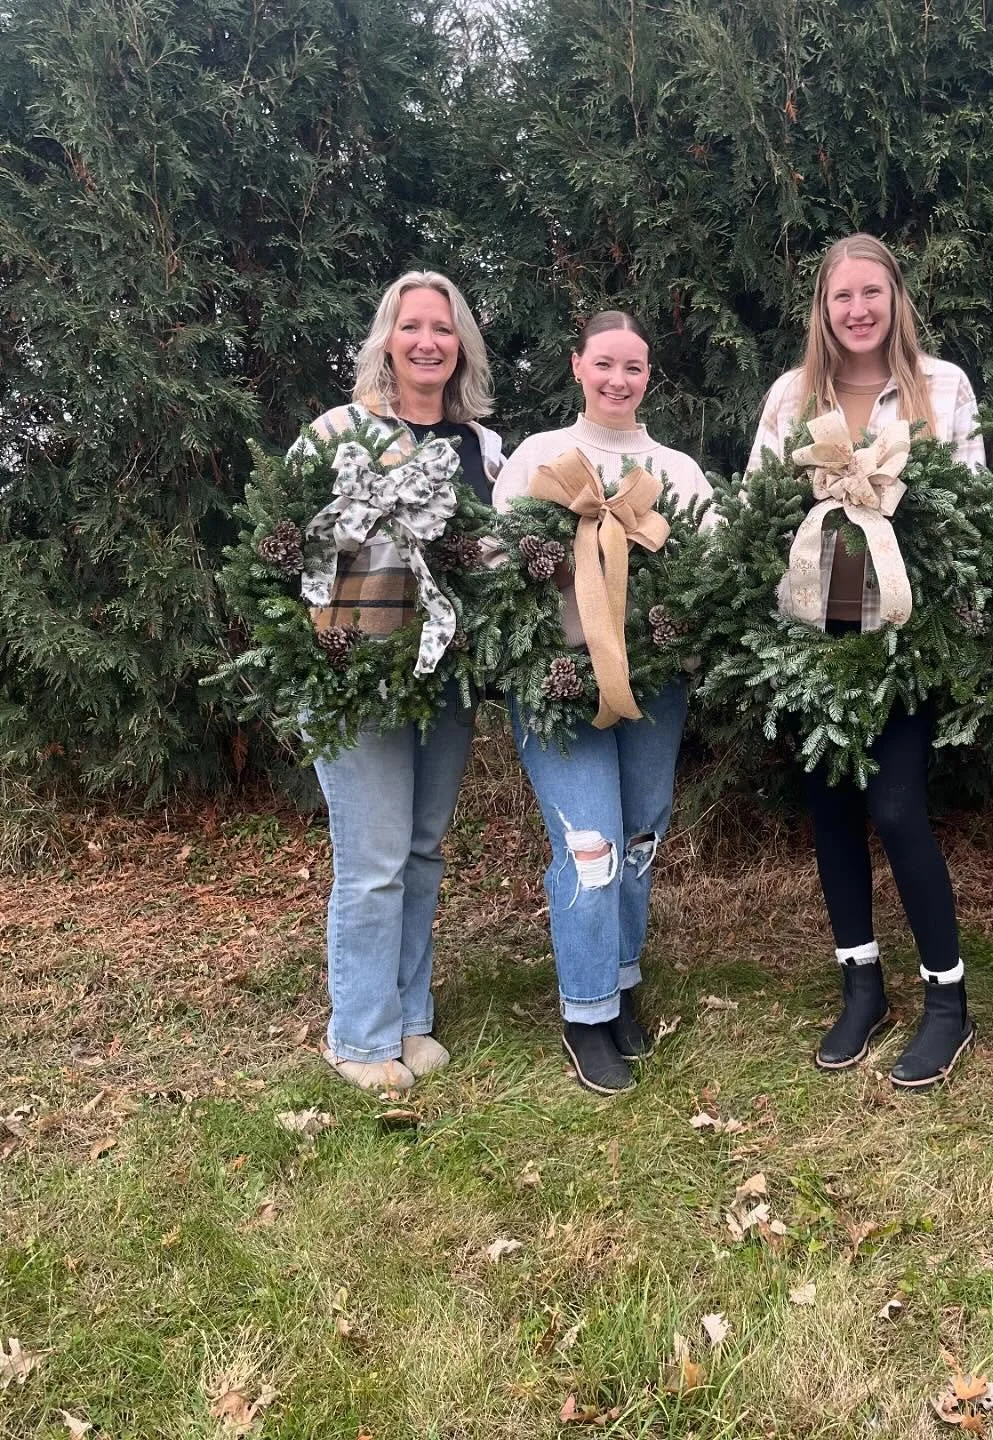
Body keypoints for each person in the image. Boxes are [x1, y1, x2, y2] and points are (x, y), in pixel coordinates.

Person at [748, 233, 986, 1091]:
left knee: (895, 806)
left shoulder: (941, 388)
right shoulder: (792, 397)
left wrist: (949, 637)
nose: (857, 310)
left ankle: (948, 1002)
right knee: (833, 811)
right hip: (817, 642)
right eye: (842, 296)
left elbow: (965, 514)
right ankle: (861, 987)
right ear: (824, 306)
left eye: (872, 294)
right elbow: (756, 510)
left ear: (895, 300)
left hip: (903, 642)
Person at [493, 311, 712, 1096]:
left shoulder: (676, 471)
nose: (619, 380)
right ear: (577, 365)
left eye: (635, 368)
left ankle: (618, 982)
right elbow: (494, 563)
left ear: (649, 377)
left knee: (640, 837)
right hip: (560, 683)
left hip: (653, 684)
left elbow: (708, 571)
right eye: (606, 364)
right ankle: (584, 1014)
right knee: (592, 845)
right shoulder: (540, 458)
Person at [298, 271, 504, 1091]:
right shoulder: (336, 432)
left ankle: (408, 1018)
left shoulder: (482, 449)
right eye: (412, 325)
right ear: (387, 338)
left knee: (421, 851)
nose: (427, 341)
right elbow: (283, 541)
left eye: (443, 329)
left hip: (443, 680)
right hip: (355, 677)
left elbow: (494, 558)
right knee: (374, 858)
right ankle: (357, 1035)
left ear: (462, 348)